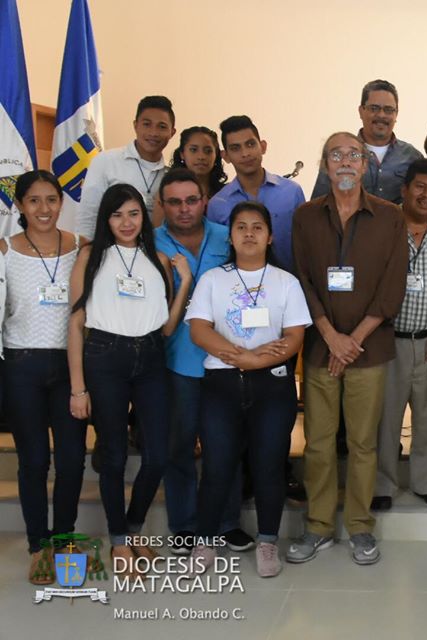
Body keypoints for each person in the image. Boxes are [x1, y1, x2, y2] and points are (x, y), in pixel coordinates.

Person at [289, 131, 406, 566]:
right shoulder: (304, 217)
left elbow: (392, 287)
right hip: (321, 349)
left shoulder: (390, 217)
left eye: (352, 155)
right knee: (318, 442)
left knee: (362, 443)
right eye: (335, 154)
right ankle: (318, 525)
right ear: (324, 164)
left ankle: (359, 526)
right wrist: (330, 335)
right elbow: (302, 279)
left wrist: (353, 339)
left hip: (367, 351)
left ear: (364, 165)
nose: (344, 161)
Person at [67, 183, 191, 573]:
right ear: (107, 218)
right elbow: (74, 324)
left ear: (145, 216)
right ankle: (118, 541)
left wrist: (184, 283)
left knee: (157, 455)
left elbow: (168, 328)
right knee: (115, 456)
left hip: (151, 357)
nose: (126, 222)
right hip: (105, 357)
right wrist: (77, 387)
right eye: (118, 214)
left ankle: (134, 529)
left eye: (134, 213)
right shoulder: (90, 255)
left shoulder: (157, 258)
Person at [187, 202, 310, 578]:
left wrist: (256, 362)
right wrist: (240, 355)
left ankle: (268, 542)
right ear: (232, 235)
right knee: (217, 465)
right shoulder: (213, 279)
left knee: (269, 466)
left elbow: (293, 337)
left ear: (270, 236)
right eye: (241, 227)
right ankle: (205, 540)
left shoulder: (285, 282)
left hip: (271, 387)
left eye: (258, 227)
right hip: (221, 386)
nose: (250, 233)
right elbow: (199, 329)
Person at [153, 168, 254, 555]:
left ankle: (227, 524)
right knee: (178, 445)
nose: (184, 209)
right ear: (162, 205)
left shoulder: (226, 236)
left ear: (205, 201)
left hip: (226, 358)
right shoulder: (150, 243)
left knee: (224, 445)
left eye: (191, 200)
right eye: (174, 202)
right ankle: (184, 525)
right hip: (176, 361)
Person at [2, 171, 85, 584]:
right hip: (22, 368)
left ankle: (65, 539)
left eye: (51, 199)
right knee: (34, 461)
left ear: (61, 201)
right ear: (19, 206)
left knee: (70, 461)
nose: (44, 209)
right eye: (33, 201)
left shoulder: (79, 248)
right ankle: (38, 546)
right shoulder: (4, 251)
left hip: (70, 366)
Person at [372, 160, 427, 510]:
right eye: (420, 187)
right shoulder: (383, 230)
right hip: (389, 342)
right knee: (386, 419)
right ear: (404, 190)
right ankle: (382, 485)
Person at [207, 115, 305, 274]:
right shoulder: (217, 204)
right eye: (235, 148)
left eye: (250, 144)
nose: (245, 153)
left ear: (263, 146)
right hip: (238, 292)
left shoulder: (291, 192)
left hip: (290, 287)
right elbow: (218, 256)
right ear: (225, 156)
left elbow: (306, 247)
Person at [310, 79, 424, 204]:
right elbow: (318, 202)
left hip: (397, 223)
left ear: (396, 114)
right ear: (361, 111)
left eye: (388, 110)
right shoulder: (339, 153)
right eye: (374, 108)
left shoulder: (412, 156)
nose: (381, 115)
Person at [77, 96, 176, 238]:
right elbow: (88, 215)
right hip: (110, 252)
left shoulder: (170, 173)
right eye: (147, 124)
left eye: (162, 127)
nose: (153, 133)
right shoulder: (106, 161)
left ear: (172, 132)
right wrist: (87, 253)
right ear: (135, 125)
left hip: (157, 254)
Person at [171, 126, 228, 198]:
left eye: (208, 151)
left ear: (216, 155)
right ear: (182, 154)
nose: (201, 157)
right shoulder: (169, 191)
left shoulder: (227, 193)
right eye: (193, 150)